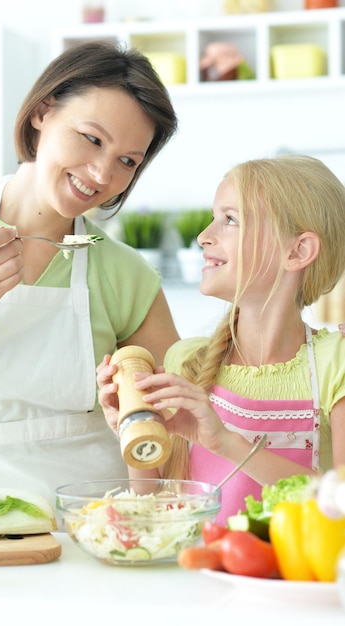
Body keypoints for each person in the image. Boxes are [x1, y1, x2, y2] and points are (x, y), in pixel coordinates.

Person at [0, 40, 180, 505]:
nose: (103, 175)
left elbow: (173, 440)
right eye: (93, 139)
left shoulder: (128, 276)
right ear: (43, 111)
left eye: (128, 161)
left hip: (97, 526)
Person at [97, 154, 345, 524]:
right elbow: (153, 509)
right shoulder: (188, 362)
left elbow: (339, 501)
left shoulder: (334, 361)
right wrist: (133, 433)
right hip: (199, 574)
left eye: (230, 220)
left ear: (298, 251)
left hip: (294, 579)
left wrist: (226, 443)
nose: (203, 236)